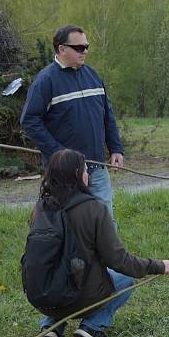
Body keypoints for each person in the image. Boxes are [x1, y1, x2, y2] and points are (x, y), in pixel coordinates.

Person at [29, 149, 169, 337]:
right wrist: (158, 266)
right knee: (125, 279)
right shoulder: (93, 209)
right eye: (84, 170)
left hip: (40, 296)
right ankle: (92, 326)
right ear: (76, 175)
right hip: (75, 296)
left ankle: (52, 325)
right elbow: (119, 261)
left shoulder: (40, 207)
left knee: (66, 269)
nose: (88, 174)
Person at [21, 25, 124, 216]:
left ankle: (106, 247)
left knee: (105, 220)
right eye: (79, 47)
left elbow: (107, 114)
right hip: (65, 172)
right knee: (70, 222)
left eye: (86, 46)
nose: (84, 51)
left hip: (97, 167)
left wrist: (115, 147)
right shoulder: (45, 81)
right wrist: (61, 155)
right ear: (62, 49)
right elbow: (29, 121)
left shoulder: (92, 75)